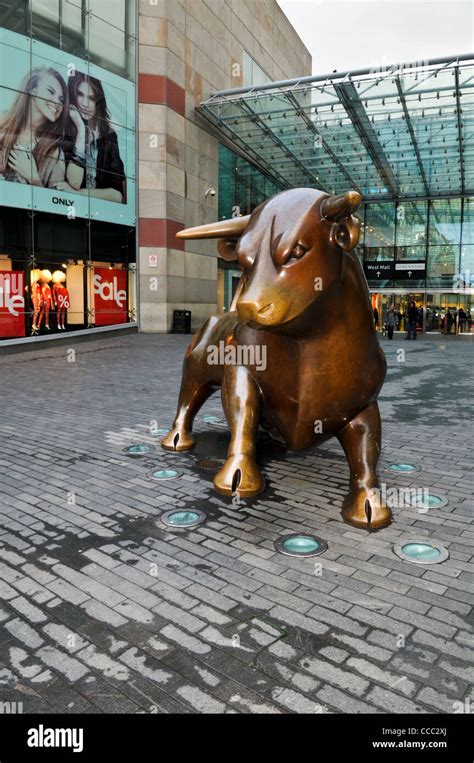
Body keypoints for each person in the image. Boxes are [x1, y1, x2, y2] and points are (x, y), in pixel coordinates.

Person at [56, 73, 125, 202]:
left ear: (98, 102)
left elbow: (117, 195)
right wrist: (81, 131)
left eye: (92, 98)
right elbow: (75, 182)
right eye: (80, 94)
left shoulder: (108, 136)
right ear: (72, 96)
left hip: (100, 214)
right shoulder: (64, 130)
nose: (85, 104)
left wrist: (78, 193)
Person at [0, 67, 67, 187]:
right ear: (33, 90)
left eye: (61, 100)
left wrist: (33, 178)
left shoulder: (54, 152)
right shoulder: (2, 124)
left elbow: (55, 203)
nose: (58, 103)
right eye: (51, 91)